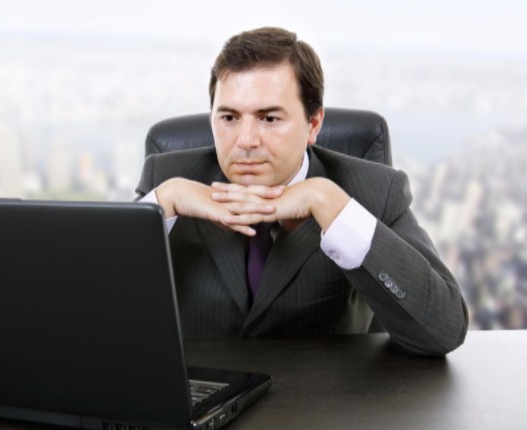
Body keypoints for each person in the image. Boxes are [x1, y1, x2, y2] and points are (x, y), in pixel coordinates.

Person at [135, 27, 468, 356]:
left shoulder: (375, 190)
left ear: (314, 124)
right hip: (199, 401)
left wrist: (327, 202)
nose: (246, 140)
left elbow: (443, 331)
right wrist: (162, 205)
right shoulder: (166, 180)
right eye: (229, 117)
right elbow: (92, 313)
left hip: (322, 403)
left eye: (269, 118)